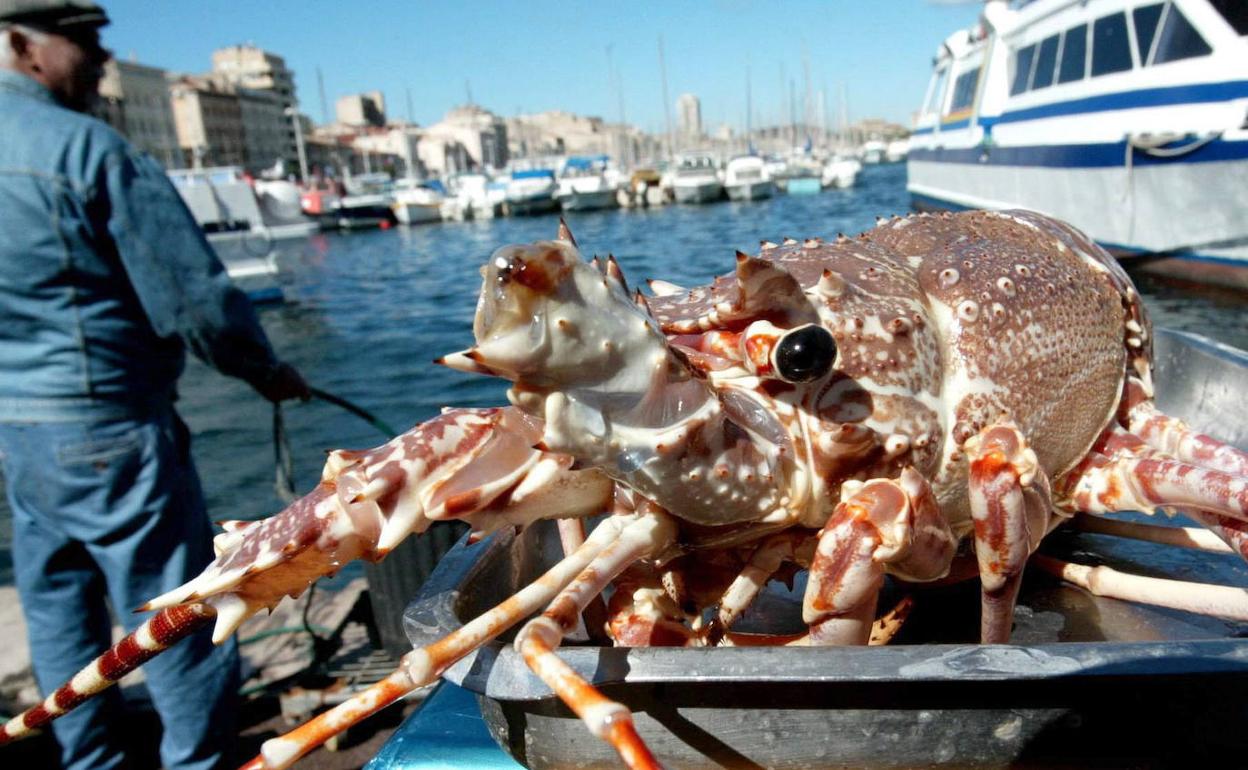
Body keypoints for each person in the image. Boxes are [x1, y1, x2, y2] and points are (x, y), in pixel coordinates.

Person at [0, 2, 311, 768]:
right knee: (177, 604)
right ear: (18, 44)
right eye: (82, 42)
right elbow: (196, 302)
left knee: (56, 606)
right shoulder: (88, 152)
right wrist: (266, 373)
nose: (100, 59)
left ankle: (88, 759)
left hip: (17, 428)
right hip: (108, 428)